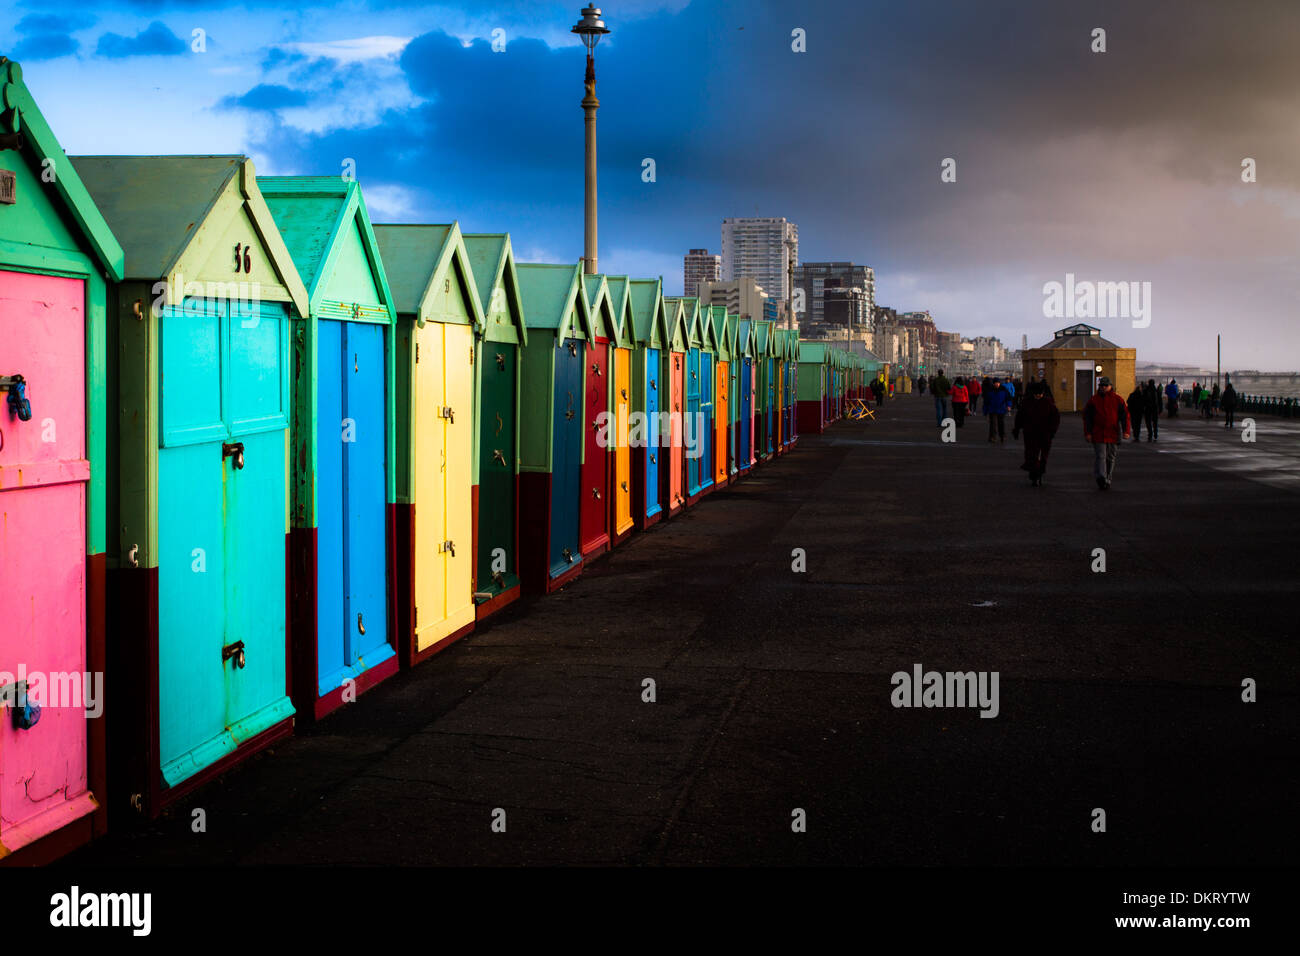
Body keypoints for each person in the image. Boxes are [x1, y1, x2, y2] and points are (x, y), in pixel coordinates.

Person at [1083, 376, 1131, 490]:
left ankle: (1107, 478)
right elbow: (1087, 418)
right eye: (1101, 386)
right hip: (1098, 433)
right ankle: (1101, 477)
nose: (1103, 387)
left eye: (1105, 385)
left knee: (1110, 457)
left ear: (1110, 386)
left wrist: (1126, 431)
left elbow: (1125, 416)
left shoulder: (1118, 400)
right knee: (1101, 456)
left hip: (1113, 433)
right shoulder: (1093, 400)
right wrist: (1088, 433)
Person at [1012, 379, 1060, 485]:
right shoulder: (1027, 403)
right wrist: (1016, 429)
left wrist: (1052, 431)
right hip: (1031, 433)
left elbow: (1055, 418)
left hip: (1044, 433)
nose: (1038, 396)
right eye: (1037, 394)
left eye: (1040, 394)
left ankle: (1038, 473)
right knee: (1031, 454)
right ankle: (1035, 473)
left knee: (1042, 455)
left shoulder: (1048, 403)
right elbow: (1020, 417)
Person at [984, 376, 1011, 443]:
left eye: (998, 383)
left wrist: (1008, 405)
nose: (997, 384)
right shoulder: (990, 390)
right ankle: (992, 437)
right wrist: (985, 410)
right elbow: (986, 401)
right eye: (995, 383)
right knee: (992, 424)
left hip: (1001, 409)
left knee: (1001, 424)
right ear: (993, 383)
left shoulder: (1004, 389)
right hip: (992, 409)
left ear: (1000, 383)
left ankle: (1002, 436)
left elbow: (1008, 398)